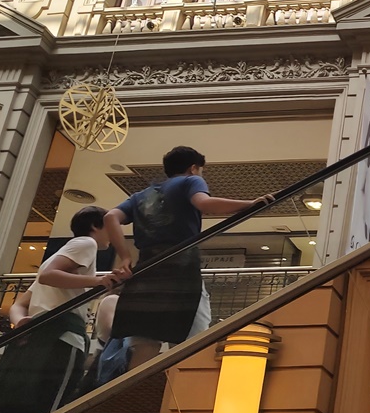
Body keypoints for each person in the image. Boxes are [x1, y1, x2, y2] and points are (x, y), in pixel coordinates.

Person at [104, 146, 273, 368]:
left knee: (144, 347)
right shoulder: (190, 181)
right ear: (194, 168)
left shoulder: (141, 195)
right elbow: (203, 203)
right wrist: (250, 204)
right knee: (193, 342)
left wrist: (125, 257)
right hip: (179, 266)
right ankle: (182, 399)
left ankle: (130, 396)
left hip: (145, 271)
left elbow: (110, 217)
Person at [0, 206, 124, 413]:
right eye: (109, 226)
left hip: (38, 336)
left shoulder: (63, 256)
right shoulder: (85, 244)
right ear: (95, 226)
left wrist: (20, 322)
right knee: (51, 403)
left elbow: (21, 303)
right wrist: (98, 281)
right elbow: (49, 276)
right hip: (61, 334)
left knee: (22, 403)